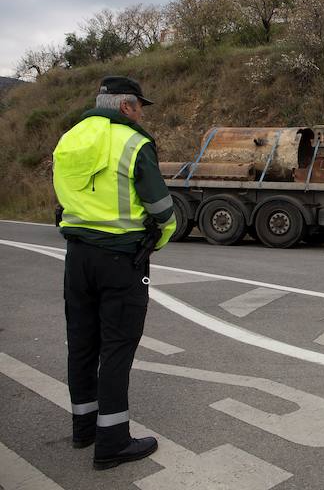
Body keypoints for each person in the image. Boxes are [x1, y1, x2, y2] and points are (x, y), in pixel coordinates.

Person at [52, 76, 177, 470]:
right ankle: (112, 443)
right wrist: (160, 238)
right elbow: (159, 205)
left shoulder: (69, 137)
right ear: (126, 106)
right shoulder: (134, 141)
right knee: (117, 348)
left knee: (82, 343)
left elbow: (64, 196)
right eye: (140, 105)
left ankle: (83, 428)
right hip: (122, 258)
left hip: (77, 257)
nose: (141, 113)